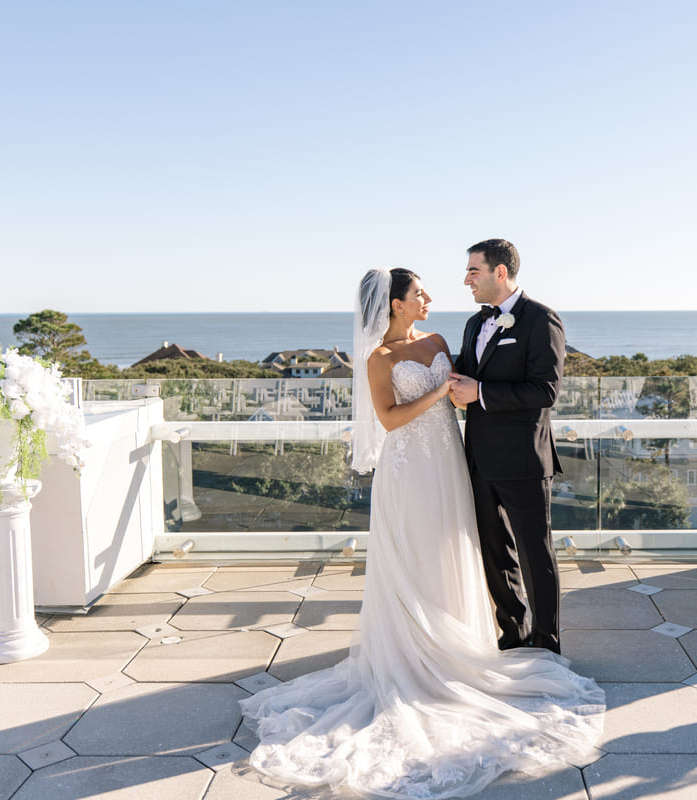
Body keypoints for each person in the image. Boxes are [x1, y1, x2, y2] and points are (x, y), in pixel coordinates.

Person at [240, 267, 603, 799]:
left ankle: (474, 639)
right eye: (418, 294)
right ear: (394, 305)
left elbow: (485, 384)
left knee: (457, 550)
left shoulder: (437, 339)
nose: (429, 297)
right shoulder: (378, 360)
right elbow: (388, 420)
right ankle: (417, 654)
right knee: (413, 557)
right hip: (408, 469)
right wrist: (441, 395)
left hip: (452, 465)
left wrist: (466, 393)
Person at [450, 239, 565, 654]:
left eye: (473, 271)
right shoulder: (473, 323)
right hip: (479, 459)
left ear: (500, 272)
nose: (466, 279)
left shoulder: (540, 319)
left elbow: (545, 391)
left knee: (536, 554)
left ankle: (546, 642)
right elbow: (461, 373)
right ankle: (513, 634)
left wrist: (480, 392)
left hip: (523, 460)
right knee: (495, 554)